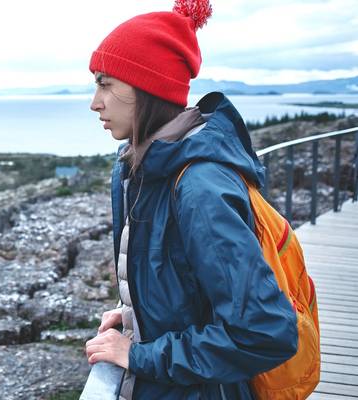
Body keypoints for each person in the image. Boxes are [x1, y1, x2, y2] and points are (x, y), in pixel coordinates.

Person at [81, 1, 299, 398]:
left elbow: (265, 332)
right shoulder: (142, 168)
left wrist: (140, 355)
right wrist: (136, 314)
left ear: (146, 87)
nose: (95, 101)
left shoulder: (200, 187)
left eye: (106, 83)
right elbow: (189, 290)